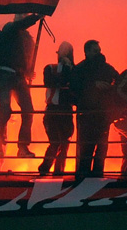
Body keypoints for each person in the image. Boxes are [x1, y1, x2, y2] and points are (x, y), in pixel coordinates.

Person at [0, 13, 41, 158]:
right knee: (5, 109)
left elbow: (27, 56)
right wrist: (37, 16)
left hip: (19, 77)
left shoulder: (26, 38)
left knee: (28, 110)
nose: (21, 19)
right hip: (5, 74)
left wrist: (28, 70)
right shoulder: (9, 28)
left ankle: (23, 147)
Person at [70, 39, 119, 179]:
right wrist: (94, 85)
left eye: (99, 50)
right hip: (87, 114)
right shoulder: (80, 69)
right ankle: (84, 176)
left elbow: (118, 79)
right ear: (87, 52)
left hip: (102, 114)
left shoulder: (105, 68)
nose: (98, 53)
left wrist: (111, 87)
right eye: (95, 51)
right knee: (87, 147)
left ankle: (96, 176)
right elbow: (74, 87)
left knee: (101, 147)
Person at [38, 41, 75, 176]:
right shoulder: (49, 67)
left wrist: (68, 70)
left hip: (65, 110)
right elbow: (49, 82)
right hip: (53, 110)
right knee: (56, 142)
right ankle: (44, 169)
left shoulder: (73, 70)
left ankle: (58, 172)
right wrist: (64, 78)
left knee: (64, 143)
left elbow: (73, 83)